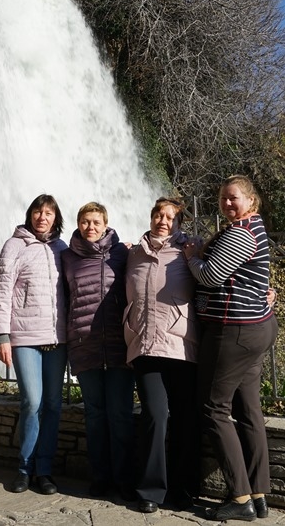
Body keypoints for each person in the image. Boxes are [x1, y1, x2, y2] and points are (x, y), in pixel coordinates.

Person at [184, 175, 276, 521]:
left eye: (233, 198)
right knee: (248, 409)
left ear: (251, 201)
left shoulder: (241, 232)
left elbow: (209, 276)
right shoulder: (256, 228)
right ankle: (259, 492)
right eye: (223, 198)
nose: (226, 203)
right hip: (255, 326)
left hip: (233, 331)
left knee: (213, 408)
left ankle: (240, 500)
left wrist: (192, 256)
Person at [123, 197, 202, 514]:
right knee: (155, 415)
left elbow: (217, 276)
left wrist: (264, 291)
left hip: (181, 346)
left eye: (170, 217)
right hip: (144, 345)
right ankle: (151, 490)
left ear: (178, 222)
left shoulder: (190, 250)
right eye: (158, 214)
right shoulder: (132, 253)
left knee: (185, 418)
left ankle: (185, 489)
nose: (163, 220)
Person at [0, 194, 69, 495]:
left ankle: (44, 471)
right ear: (29, 215)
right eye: (37, 211)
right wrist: (2, 336)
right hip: (23, 337)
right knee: (32, 402)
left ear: (56, 217)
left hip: (58, 339)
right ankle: (24, 468)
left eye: (48, 212)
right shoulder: (14, 245)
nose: (42, 217)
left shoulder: (62, 249)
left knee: (53, 405)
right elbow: (2, 292)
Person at [61, 202, 136, 499]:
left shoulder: (123, 253)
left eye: (95, 222)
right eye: (84, 222)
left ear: (106, 224)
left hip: (119, 346)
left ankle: (124, 480)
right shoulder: (66, 257)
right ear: (78, 224)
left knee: (120, 414)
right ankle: (100, 478)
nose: (90, 227)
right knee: (94, 415)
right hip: (85, 344)